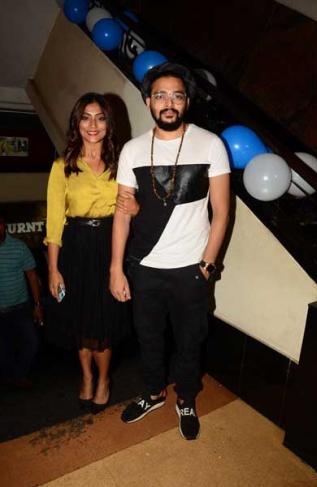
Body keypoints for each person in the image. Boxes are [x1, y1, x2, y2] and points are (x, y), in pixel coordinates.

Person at [110, 62, 230, 441]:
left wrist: (207, 265)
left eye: (177, 95)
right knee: (148, 337)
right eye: (160, 95)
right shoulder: (132, 150)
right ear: (148, 101)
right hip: (144, 266)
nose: (169, 102)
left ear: (187, 101)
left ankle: (186, 398)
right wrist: (116, 268)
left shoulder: (210, 144)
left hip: (191, 268)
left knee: (190, 340)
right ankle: (153, 393)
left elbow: (222, 211)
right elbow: (122, 213)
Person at [45, 93, 135, 414]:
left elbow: (134, 210)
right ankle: (86, 376)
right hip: (75, 247)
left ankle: (103, 380)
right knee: (81, 322)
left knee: (104, 323)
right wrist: (53, 269)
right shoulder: (62, 167)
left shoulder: (122, 165)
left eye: (100, 117)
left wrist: (136, 208)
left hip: (111, 247)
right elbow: (54, 222)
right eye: (85, 117)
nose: (93, 124)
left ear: (109, 124)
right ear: (77, 123)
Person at [0, 214, 42, 387]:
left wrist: (37, 305)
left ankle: (19, 374)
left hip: (20, 308)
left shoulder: (19, 247)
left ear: (4, 225)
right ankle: (11, 377)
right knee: (4, 348)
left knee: (32, 342)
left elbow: (32, 276)